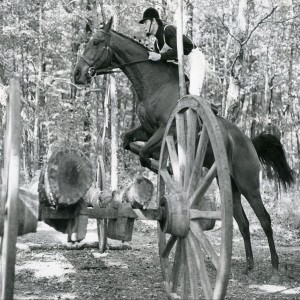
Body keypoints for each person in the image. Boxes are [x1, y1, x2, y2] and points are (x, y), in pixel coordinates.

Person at [139, 7, 206, 96]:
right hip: (182, 67)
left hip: (194, 58)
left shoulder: (168, 29)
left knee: (193, 93)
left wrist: (159, 56)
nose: (144, 25)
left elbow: (178, 51)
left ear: (154, 21)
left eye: (145, 22)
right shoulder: (157, 44)